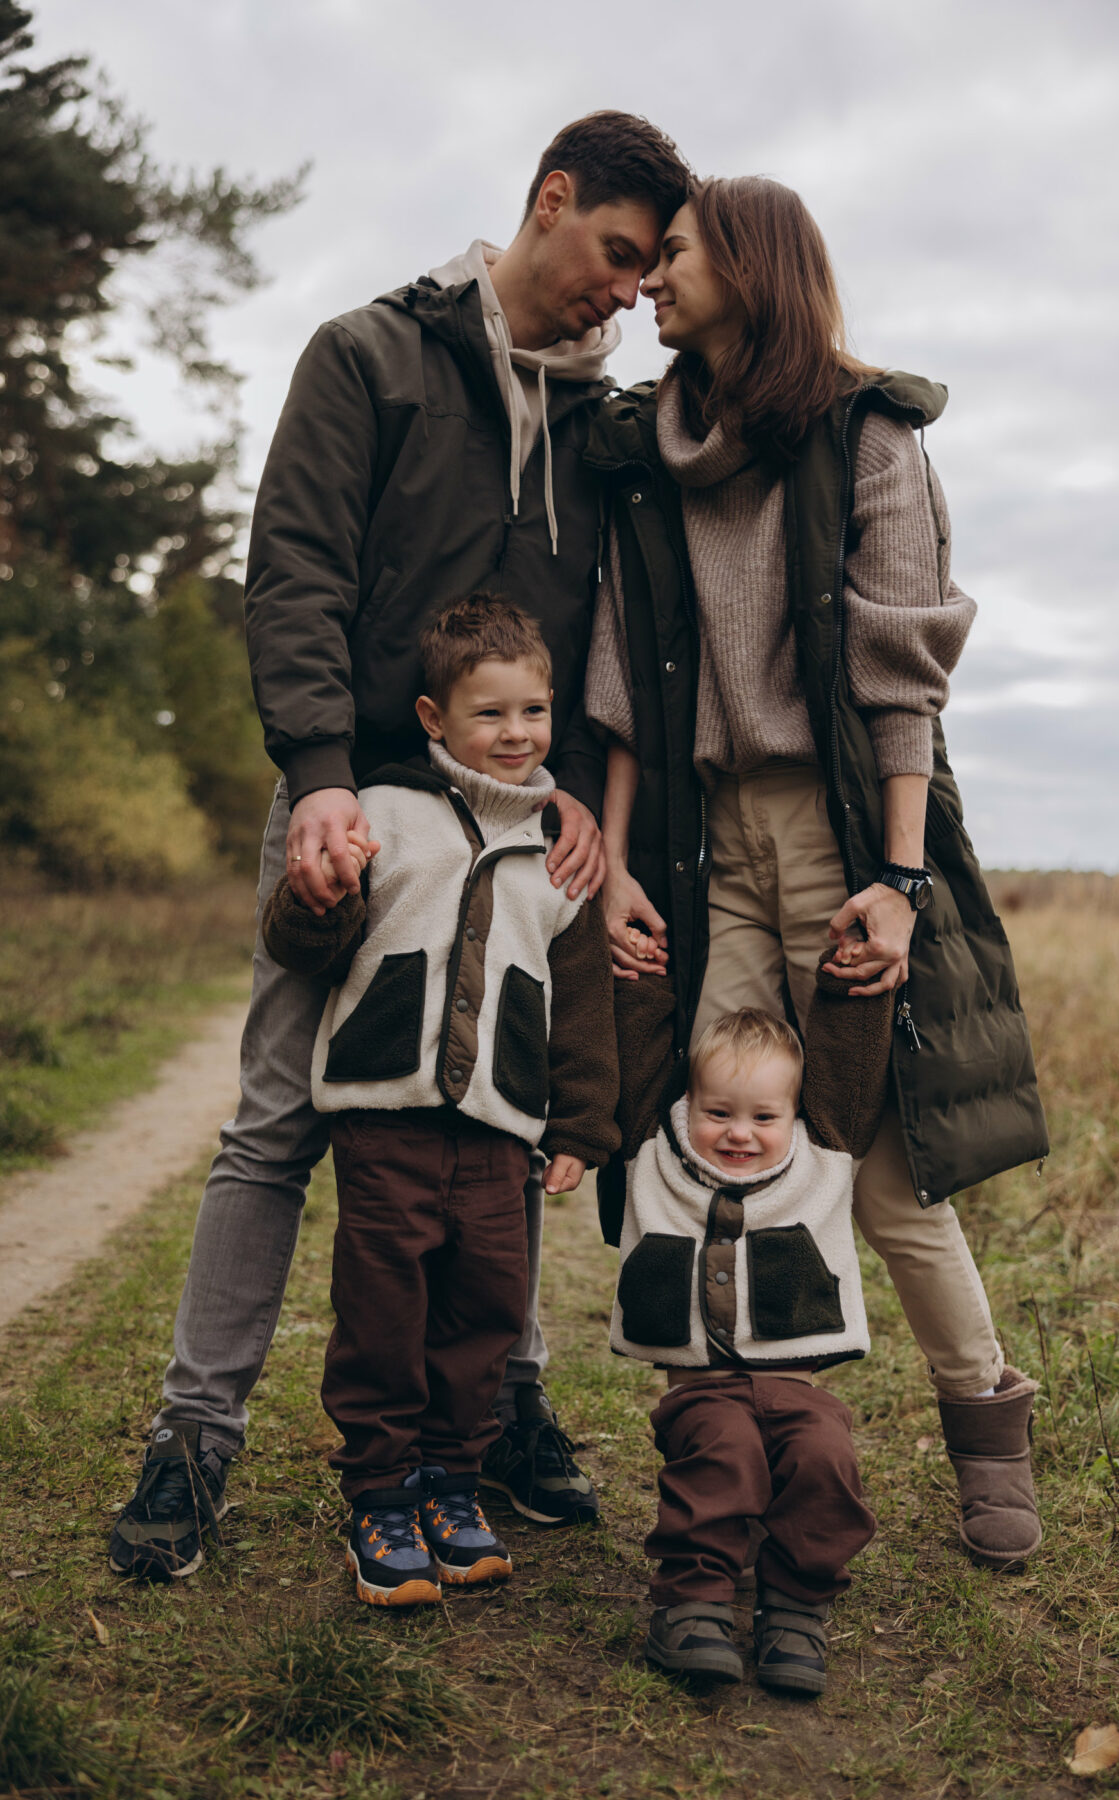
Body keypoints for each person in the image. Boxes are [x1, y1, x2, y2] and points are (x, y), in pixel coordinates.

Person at [107, 113, 691, 1582]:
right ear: (550, 203)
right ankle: (194, 1440)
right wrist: (315, 774)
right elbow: (294, 568)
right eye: (617, 257)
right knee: (276, 1126)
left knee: (497, 1125)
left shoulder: (604, 432)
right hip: (356, 808)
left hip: (516, 832)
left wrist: (556, 786)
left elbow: (608, 636)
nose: (625, 294)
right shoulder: (367, 356)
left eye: (645, 276)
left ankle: (502, 1408)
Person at [584, 177, 1048, 1571]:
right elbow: (617, 673)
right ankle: (723, 1437)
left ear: (751, 262)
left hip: (848, 841)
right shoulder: (647, 454)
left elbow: (903, 677)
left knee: (889, 1173)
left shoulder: (869, 431)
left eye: (672, 254)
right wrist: (609, 865)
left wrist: (899, 881)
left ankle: (985, 1420)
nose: (651, 280)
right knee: (704, 1139)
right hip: (707, 839)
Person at [258, 596, 619, 1605]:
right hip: (383, 1119)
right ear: (434, 717)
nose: (516, 734)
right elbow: (307, 949)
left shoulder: (561, 847)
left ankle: (453, 1486)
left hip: (500, 1132)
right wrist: (317, 895)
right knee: (383, 1308)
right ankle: (378, 1493)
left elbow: (580, 1001)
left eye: (534, 712)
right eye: (490, 714)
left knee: (484, 1311)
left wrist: (583, 1124)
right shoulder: (385, 812)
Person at [611, 983, 889, 1694]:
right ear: (686, 1106)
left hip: (799, 1389)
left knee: (826, 1456)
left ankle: (795, 1607)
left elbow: (852, 1062)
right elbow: (641, 1055)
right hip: (702, 1391)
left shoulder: (824, 1157)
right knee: (722, 1456)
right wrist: (642, 975)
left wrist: (854, 982)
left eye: (765, 1116)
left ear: (795, 1115)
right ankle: (693, 1604)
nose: (740, 1133)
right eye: (718, 1113)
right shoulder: (654, 1150)